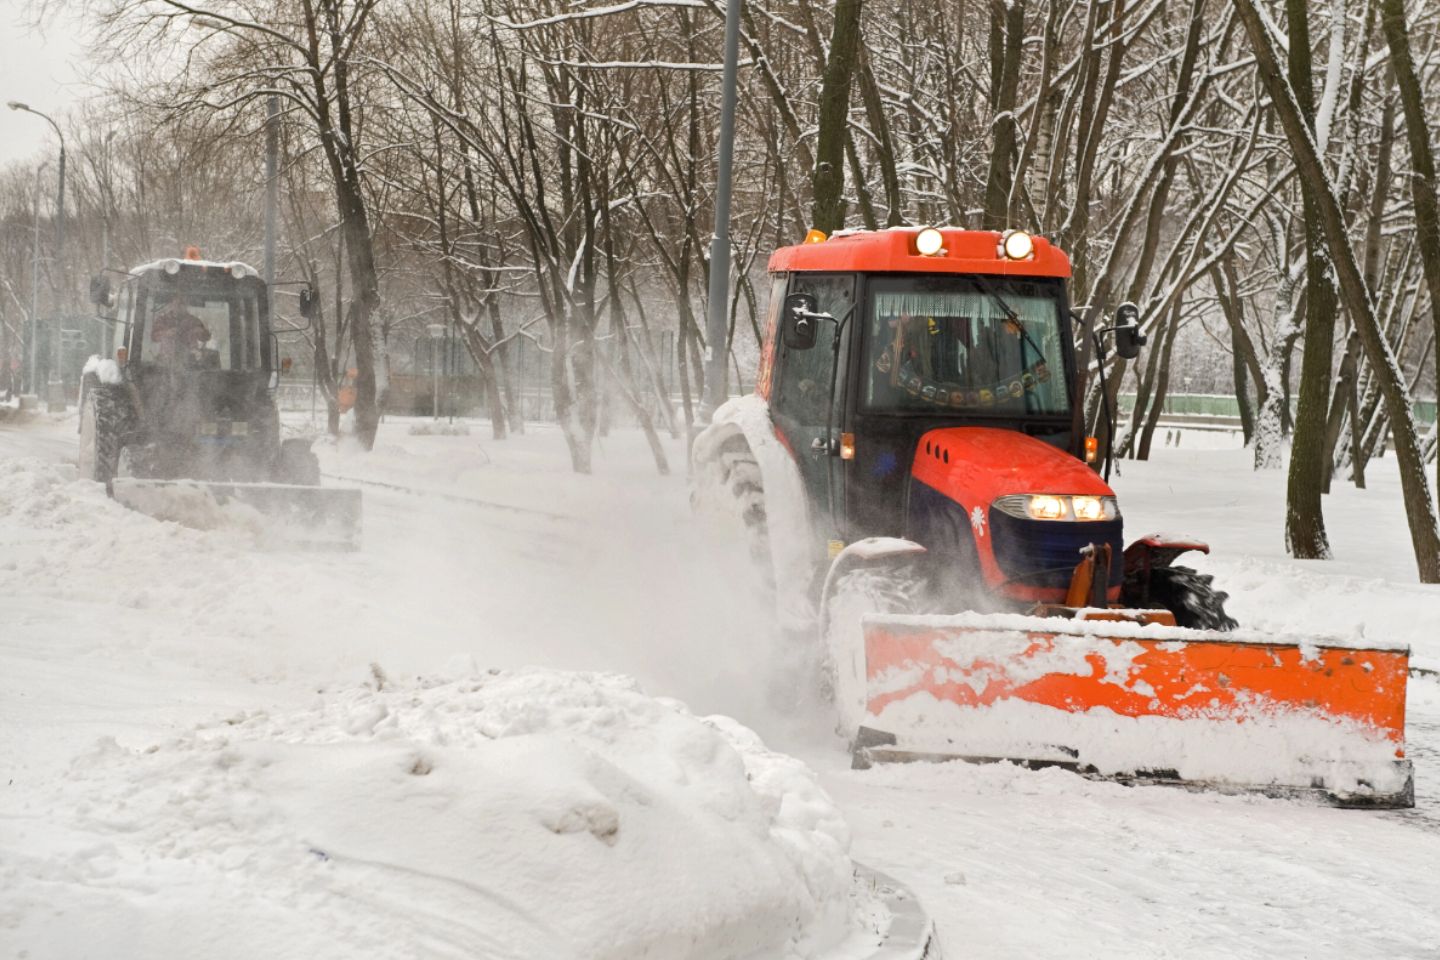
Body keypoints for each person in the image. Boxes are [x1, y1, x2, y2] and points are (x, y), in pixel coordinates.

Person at [150, 296, 210, 365]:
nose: (179, 306)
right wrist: (166, 333)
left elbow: (206, 337)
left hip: (189, 361)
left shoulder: (194, 321)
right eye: (176, 304)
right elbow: (154, 337)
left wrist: (201, 332)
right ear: (171, 304)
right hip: (166, 361)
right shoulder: (162, 320)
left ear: (186, 305)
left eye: (182, 303)